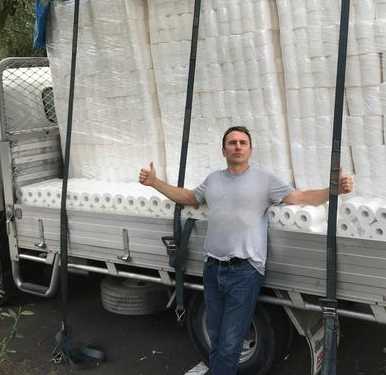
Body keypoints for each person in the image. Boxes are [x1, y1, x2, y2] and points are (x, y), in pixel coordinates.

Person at [139, 125, 353, 375]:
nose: (238, 146)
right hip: (212, 268)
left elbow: (302, 197)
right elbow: (187, 197)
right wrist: (154, 182)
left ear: (250, 149)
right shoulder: (213, 180)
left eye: (242, 142)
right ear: (223, 150)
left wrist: (333, 190)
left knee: (230, 342)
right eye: (232, 142)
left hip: (244, 272)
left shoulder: (265, 181)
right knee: (217, 337)